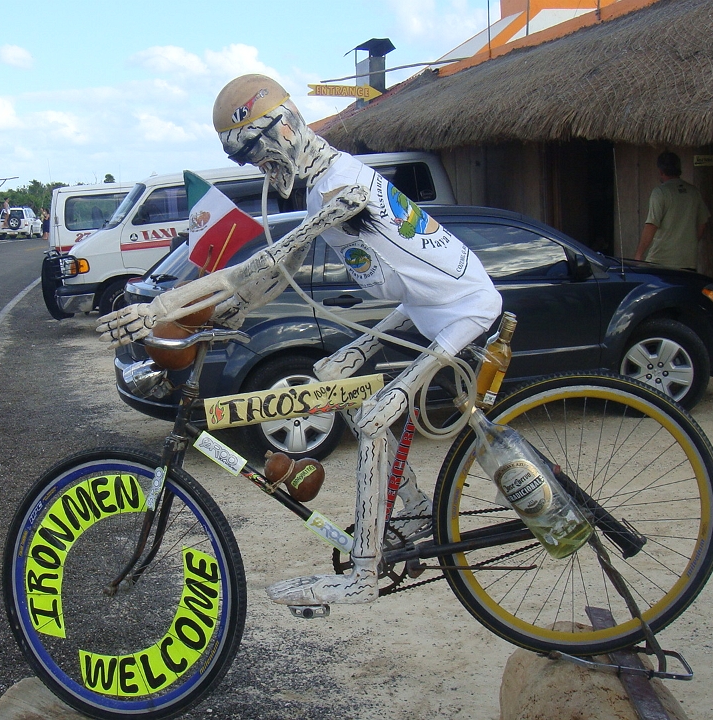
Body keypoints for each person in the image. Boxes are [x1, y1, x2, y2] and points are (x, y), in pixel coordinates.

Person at [98, 74, 501, 607]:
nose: (258, 166)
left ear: (285, 127)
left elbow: (270, 259)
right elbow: (267, 281)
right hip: (420, 305)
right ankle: (413, 509)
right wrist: (213, 315)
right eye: (245, 158)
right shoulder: (318, 188)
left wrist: (164, 306)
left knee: (374, 418)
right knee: (333, 378)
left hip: (464, 308)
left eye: (256, 150)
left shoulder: (343, 185)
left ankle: (361, 578)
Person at [635, 151, 710, 270]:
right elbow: (702, 223)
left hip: (661, 261)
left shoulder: (660, 192)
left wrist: (639, 254)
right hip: (688, 261)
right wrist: (689, 244)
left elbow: (651, 225)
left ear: (660, 171)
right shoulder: (694, 192)